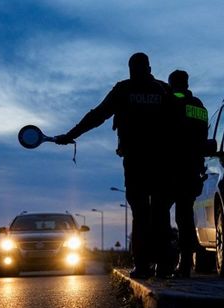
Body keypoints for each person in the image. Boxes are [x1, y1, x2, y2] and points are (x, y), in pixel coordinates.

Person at [54, 52, 176, 279]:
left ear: (132, 69)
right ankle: (164, 265)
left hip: (136, 160)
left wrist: (71, 134)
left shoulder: (124, 90)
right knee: (160, 213)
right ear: (149, 68)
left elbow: (97, 115)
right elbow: (178, 125)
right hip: (162, 162)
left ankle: (142, 266)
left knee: (140, 213)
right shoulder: (163, 90)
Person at [167, 69, 208, 278]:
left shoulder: (165, 104)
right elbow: (202, 137)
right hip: (190, 168)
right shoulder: (198, 106)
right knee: (185, 217)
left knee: (160, 214)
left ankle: (165, 261)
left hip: (167, 169)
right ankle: (184, 263)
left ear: (171, 83)